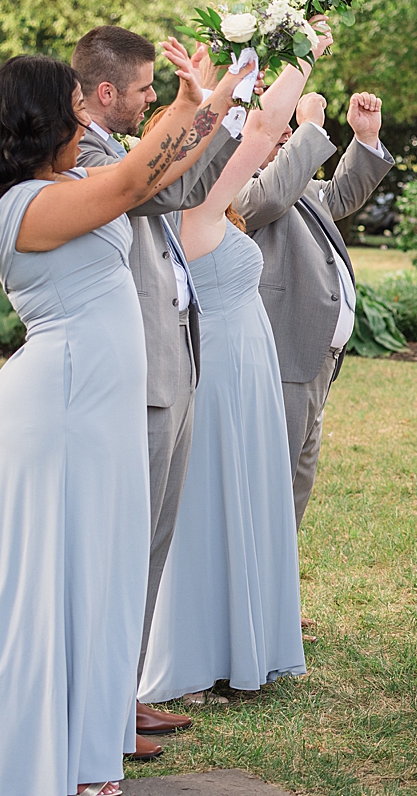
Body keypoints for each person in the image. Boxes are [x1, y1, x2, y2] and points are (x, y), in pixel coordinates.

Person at [0, 46, 249, 796]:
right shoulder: (23, 205)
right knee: (57, 580)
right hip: (60, 403)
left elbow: (151, 173)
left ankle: (88, 758)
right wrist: (201, 104)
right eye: (75, 107)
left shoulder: (69, 180)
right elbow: (132, 179)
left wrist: (194, 103)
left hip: (102, 403)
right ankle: (36, 763)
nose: (86, 116)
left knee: (105, 578)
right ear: (41, 118)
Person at [72, 25, 244, 750]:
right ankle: (102, 709)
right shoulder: (83, 153)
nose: (150, 100)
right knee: (125, 545)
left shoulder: (120, 147)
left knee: (153, 541)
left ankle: (128, 690)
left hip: (172, 359)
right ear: (106, 91)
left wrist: (221, 118)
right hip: (136, 368)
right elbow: (152, 187)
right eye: (144, 90)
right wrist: (208, 102)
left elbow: (187, 189)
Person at [140, 53, 329, 705]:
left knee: (239, 501)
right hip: (217, 373)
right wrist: (299, 52)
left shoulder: (207, 204)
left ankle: (239, 647)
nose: (229, 148)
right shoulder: (195, 208)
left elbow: (250, 130)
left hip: (245, 368)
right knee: (208, 507)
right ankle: (196, 659)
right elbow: (261, 128)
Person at [231, 62, 393, 533]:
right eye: (276, 132)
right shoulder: (234, 186)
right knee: (269, 484)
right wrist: (308, 129)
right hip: (279, 355)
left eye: (287, 135)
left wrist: (364, 139)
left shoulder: (295, 184)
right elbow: (265, 202)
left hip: (315, 358)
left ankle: (277, 597)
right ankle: (256, 601)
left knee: (297, 482)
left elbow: (340, 195)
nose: (284, 141)